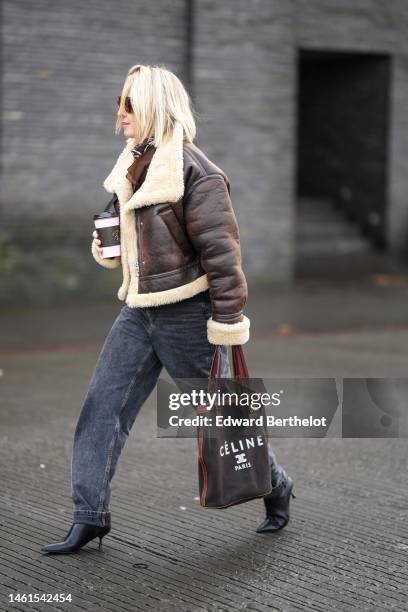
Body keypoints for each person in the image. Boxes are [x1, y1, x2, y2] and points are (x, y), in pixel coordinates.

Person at [41, 64, 295, 554]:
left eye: (131, 104)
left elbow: (223, 257)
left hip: (188, 314)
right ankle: (89, 515)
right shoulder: (134, 164)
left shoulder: (199, 173)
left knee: (225, 419)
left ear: (157, 105)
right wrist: (107, 246)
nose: (122, 113)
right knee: (102, 408)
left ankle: (276, 483)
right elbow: (132, 235)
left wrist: (226, 324)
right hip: (138, 311)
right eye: (121, 101)